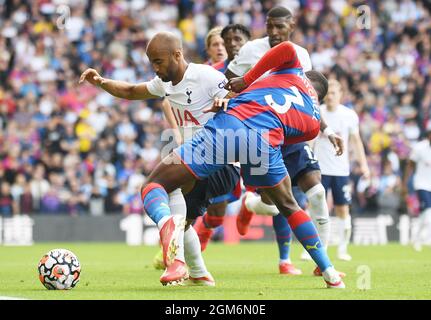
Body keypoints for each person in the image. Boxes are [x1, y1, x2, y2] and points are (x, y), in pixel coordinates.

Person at [140, 40, 345, 289]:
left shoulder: (292, 70)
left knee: (155, 184)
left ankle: (167, 223)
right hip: (264, 146)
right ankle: (329, 272)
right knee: (289, 205)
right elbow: (286, 137)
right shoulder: (314, 123)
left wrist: (247, 80)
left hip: (232, 127)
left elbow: (288, 48)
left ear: (304, 74)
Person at [79, 32, 240, 286]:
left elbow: (238, 99)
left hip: (221, 160)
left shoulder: (206, 76)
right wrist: (101, 81)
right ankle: (198, 273)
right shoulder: (164, 83)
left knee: (157, 187)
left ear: (177, 55)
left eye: (158, 61)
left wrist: (225, 101)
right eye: (151, 62)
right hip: (196, 161)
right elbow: (131, 91)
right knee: (182, 220)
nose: (155, 68)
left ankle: (177, 260)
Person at [225, 6, 343, 276]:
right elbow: (230, 78)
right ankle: (251, 204)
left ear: (292, 25)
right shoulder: (252, 49)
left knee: (316, 191)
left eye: (280, 27)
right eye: (270, 26)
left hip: (291, 132)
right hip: (261, 132)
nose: (274, 32)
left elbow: (308, 95)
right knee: (274, 202)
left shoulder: (301, 53)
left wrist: (326, 130)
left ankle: (318, 262)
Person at [193, 24, 251, 250]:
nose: (222, 47)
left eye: (223, 43)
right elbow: (169, 100)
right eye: (216, 44)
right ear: (208, 49)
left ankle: (252, 205)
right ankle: (188, 246)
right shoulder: (207, 74)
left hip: (249, 137)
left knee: (270, 196)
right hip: (216, 140)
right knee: (215, 209)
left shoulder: (251, 70)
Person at [313, 79, 370, 261]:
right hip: (319, 168)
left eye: (333, 93)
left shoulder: (349, 115)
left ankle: (343, 249)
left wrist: (364, 164)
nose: (330, 96)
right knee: (316, 209)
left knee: (342, 209)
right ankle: (315, 249)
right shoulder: (317, 111)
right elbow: (310, 138)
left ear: (340, 95)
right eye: (327, 93)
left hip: (340, 170)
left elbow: (356, 141)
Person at [403, 122, 431, 252]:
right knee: (428, 212)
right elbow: (410, 165)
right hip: (422, 184)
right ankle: (425, 239)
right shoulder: (420, 148)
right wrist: (405, 183)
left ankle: (416, 238)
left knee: (424, 215)